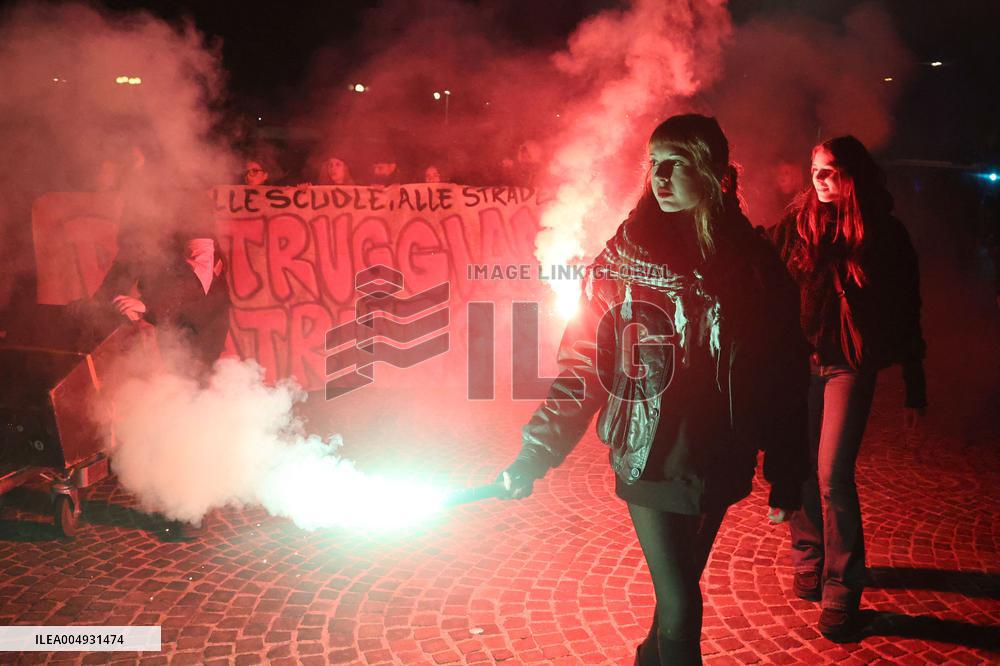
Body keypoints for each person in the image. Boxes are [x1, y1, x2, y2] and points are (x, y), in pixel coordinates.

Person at [498, 114, 810, 665]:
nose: (660, 177)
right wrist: (535, 453)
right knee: (683, 604)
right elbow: (584, 365)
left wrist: (787, 469)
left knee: (676, 592)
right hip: (650, 456)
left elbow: (784, 373)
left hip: (720, 453)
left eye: (677, 163)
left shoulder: (753, 265)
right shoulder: (622, 263)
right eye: (654, 164)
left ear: (714, 174)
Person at [769, 135, 927, 641]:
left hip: (847, 367)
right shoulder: (796, 224)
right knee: (798, 466)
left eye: (831, 170)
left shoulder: (883, 232)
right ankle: (809, 556)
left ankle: (843, 585)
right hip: (800, 362)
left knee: (832, 472)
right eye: (815, 169)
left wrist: (914, 386)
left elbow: (907, 309)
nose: (820, 179)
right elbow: (759, 263)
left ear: (853, 174)